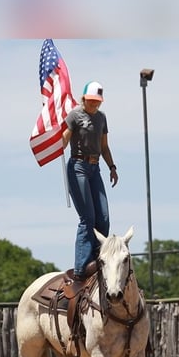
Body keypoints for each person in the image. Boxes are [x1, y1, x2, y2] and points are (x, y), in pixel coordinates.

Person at [62, 80, 118, 283]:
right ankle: (80, 268)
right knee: (88, 218)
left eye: (98, 101)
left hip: (96, 168)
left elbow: (104, 147)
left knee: (103, 216)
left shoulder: (102, 118)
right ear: (84, 98)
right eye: (91, 100)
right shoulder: (75, 115)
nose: (95, 104)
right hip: (78, 166)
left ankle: (97, 259)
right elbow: (65, 137)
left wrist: (112, 167)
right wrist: (59, 141)